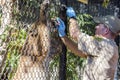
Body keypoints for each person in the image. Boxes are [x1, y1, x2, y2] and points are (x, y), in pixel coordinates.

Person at [56, 7, 120, 80]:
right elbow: (80, 51)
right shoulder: (112, 46)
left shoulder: (102, 44)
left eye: (99, 25)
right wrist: (63, 36)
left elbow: (75, 33)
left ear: (106, 30)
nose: (96, 27)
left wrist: (72, 18)